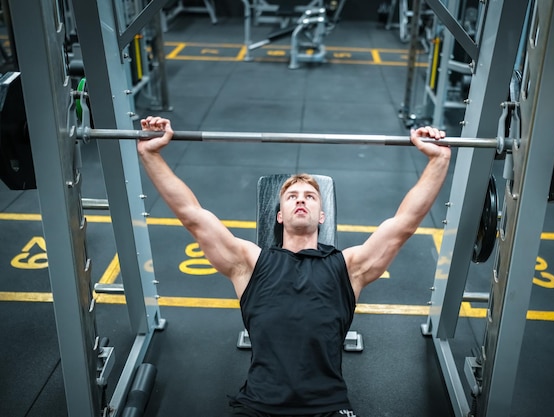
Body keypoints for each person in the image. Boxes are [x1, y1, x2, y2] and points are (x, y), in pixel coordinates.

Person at [138, 116, 451, 417]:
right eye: (292, 196)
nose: (301, 200)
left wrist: (438, 160)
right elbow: (192, 215)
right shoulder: (250, 263)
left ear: (322, 216)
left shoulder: (348, 267)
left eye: (311, 197)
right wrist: (150, 154)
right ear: (280, 216)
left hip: (328, 408)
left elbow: (404, 224)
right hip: (258, 406)